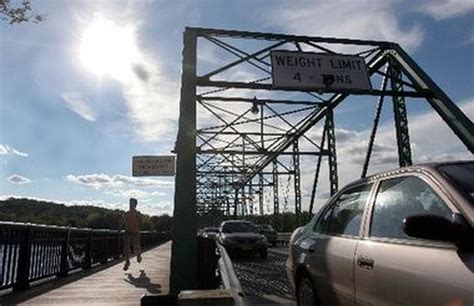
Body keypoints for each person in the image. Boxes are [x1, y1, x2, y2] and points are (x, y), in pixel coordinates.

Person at [121, 198, 142, 271]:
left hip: (135, 232)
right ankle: (127, 262)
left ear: (135, 205)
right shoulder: (127, 213)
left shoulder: (138, 213)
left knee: (136, 247)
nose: (130, 205)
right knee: (126, 248)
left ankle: (138, 254)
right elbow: (123, 222)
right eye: (130, 203)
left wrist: (138, 218)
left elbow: (141, 222)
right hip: (127, 232)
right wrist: (120, 229)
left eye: (132, 203)